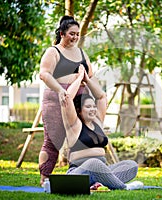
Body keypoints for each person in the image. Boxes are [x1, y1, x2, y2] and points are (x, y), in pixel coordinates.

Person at [61, 65, 143, 190]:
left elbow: (101, 97)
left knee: (131, 165)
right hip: (79, 173)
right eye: (88, 107)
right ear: (79, 110)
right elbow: (67, 98)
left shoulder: (98, 121)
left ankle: (100, 183)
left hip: (102, 171)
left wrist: (87, 80)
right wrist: (79, 79)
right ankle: (123, 187)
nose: (93, 109)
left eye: (93, 106)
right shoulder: (74, 124)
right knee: (94, 163)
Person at [38, 15, 93, 186]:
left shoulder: (81, 53)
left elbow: (90, 74)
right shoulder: (53, 51)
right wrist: (60, 90)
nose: (75, 37)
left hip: (78, 99)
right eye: (72, 34)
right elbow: (44, 74)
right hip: (55, 99)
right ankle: (45, 178)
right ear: (62, 34)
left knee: (80, 139)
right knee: (53, 141)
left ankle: (77, 176)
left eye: (77, 34)